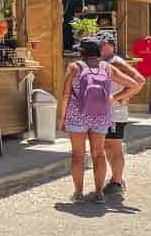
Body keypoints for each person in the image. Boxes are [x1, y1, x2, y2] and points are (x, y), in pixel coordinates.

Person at [59, 37, 139, 204]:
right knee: (98, 154)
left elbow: (65, 95)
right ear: (98, 52)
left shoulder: (75, 67)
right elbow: (134, 84)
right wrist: (114, 99)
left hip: (77, 115)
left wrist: (62, 117)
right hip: (101, 115)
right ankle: (98, 194)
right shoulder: (107, 67)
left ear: (81, 52)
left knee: (78, 155)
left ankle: (78, 194)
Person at [98, 32, 145, 196]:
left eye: (100, 45)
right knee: (108, 146)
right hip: (111, 112)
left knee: (114, 147)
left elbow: (139, 81)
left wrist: (118, 98)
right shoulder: (109, 61)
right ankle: (116, 179)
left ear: (107, 45)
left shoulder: (115, 61)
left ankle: (117, 182)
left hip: (115, 112)